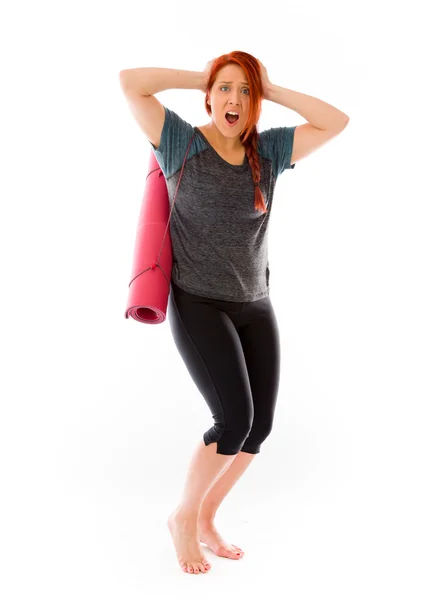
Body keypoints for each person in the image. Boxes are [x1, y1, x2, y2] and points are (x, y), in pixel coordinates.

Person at [119, 50, 349, 575]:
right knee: (232, 421)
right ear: (209, 95)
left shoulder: (267, 152)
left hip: (254, 301)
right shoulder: (181, 143)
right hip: (198, 301)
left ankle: (206, 518)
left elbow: (336, 122)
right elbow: (130, 82)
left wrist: (272, 86)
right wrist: (204, 75)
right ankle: (183, 516)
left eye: (245, 92)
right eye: (225, 89)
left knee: (258, 428)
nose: (234, 99)